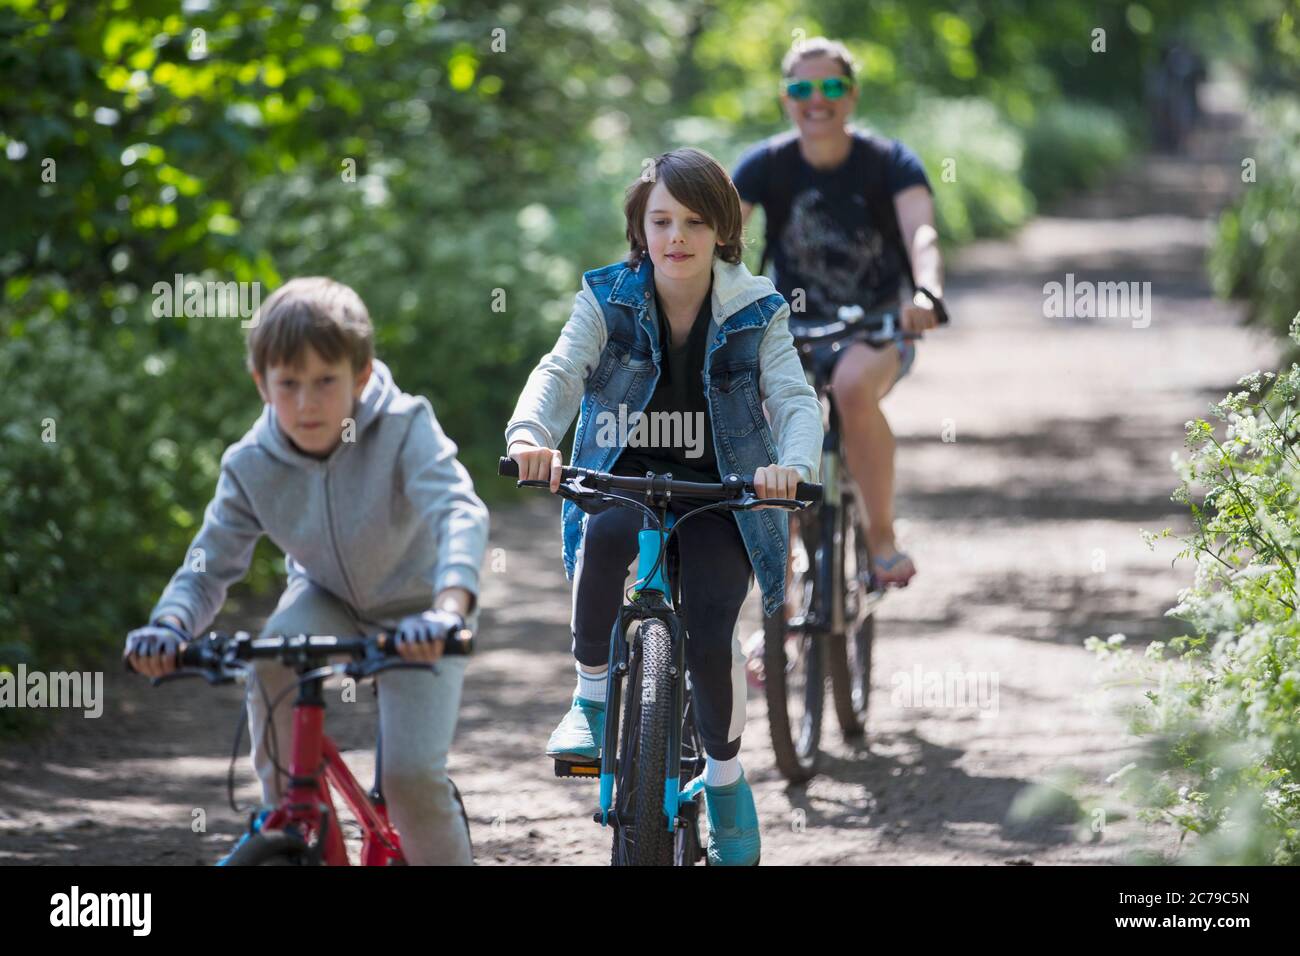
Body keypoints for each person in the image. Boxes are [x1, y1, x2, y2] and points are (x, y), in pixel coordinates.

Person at [504, 147, 822, 865]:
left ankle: (726, 779)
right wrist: (530, 434)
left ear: (722, 232)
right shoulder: (607, 297)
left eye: (694, 221)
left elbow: (793, 396)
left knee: (712, 629)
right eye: (661, 221)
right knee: (607, 534)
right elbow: (561, 370)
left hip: (724, 488)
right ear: (639, 229)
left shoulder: (757, 309)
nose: (676, 236)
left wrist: (791, 467)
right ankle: (589, 700)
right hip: (628, 473)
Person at [122, 276, 488, 865]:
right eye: (287, 384)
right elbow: (207, 562)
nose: (306, 403)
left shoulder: (403, 425)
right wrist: (168, 627)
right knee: (270, 658)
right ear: (261, 383)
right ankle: (294, 830)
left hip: (420, 610)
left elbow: (457, 511)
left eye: (325, 382)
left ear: (361, 375)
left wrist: (449, 607)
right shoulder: (249, 464)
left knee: (410, 779)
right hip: (326, 595)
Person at [733, 36, 947, 589]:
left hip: (878, 324)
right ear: (786, 99)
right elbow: (716, 235)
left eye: (831, 87)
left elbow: (921, 232)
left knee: (852, 389)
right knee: (770, 413)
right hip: (793, 329)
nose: (816, 100)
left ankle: (880, 537)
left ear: (851, 97)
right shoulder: (767, 165)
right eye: (802, 88)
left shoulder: (888, 162)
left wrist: (925, 293)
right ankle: (780, 589)